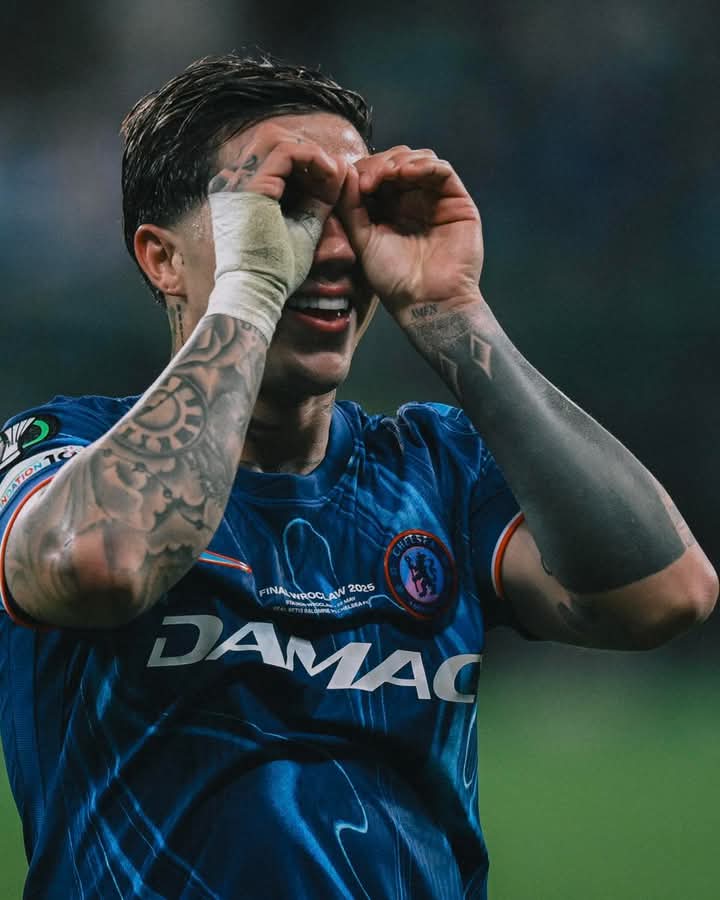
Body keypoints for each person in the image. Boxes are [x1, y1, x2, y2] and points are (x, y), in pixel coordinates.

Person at [0, 53, 716, 900]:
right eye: (286, 208)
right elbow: (100, 564)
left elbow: (667, 594)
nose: (335, 249)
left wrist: (454, 310)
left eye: (355, 210)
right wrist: (251, 290)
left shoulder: (438, 467)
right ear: (162, 258)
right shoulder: (64, 452)